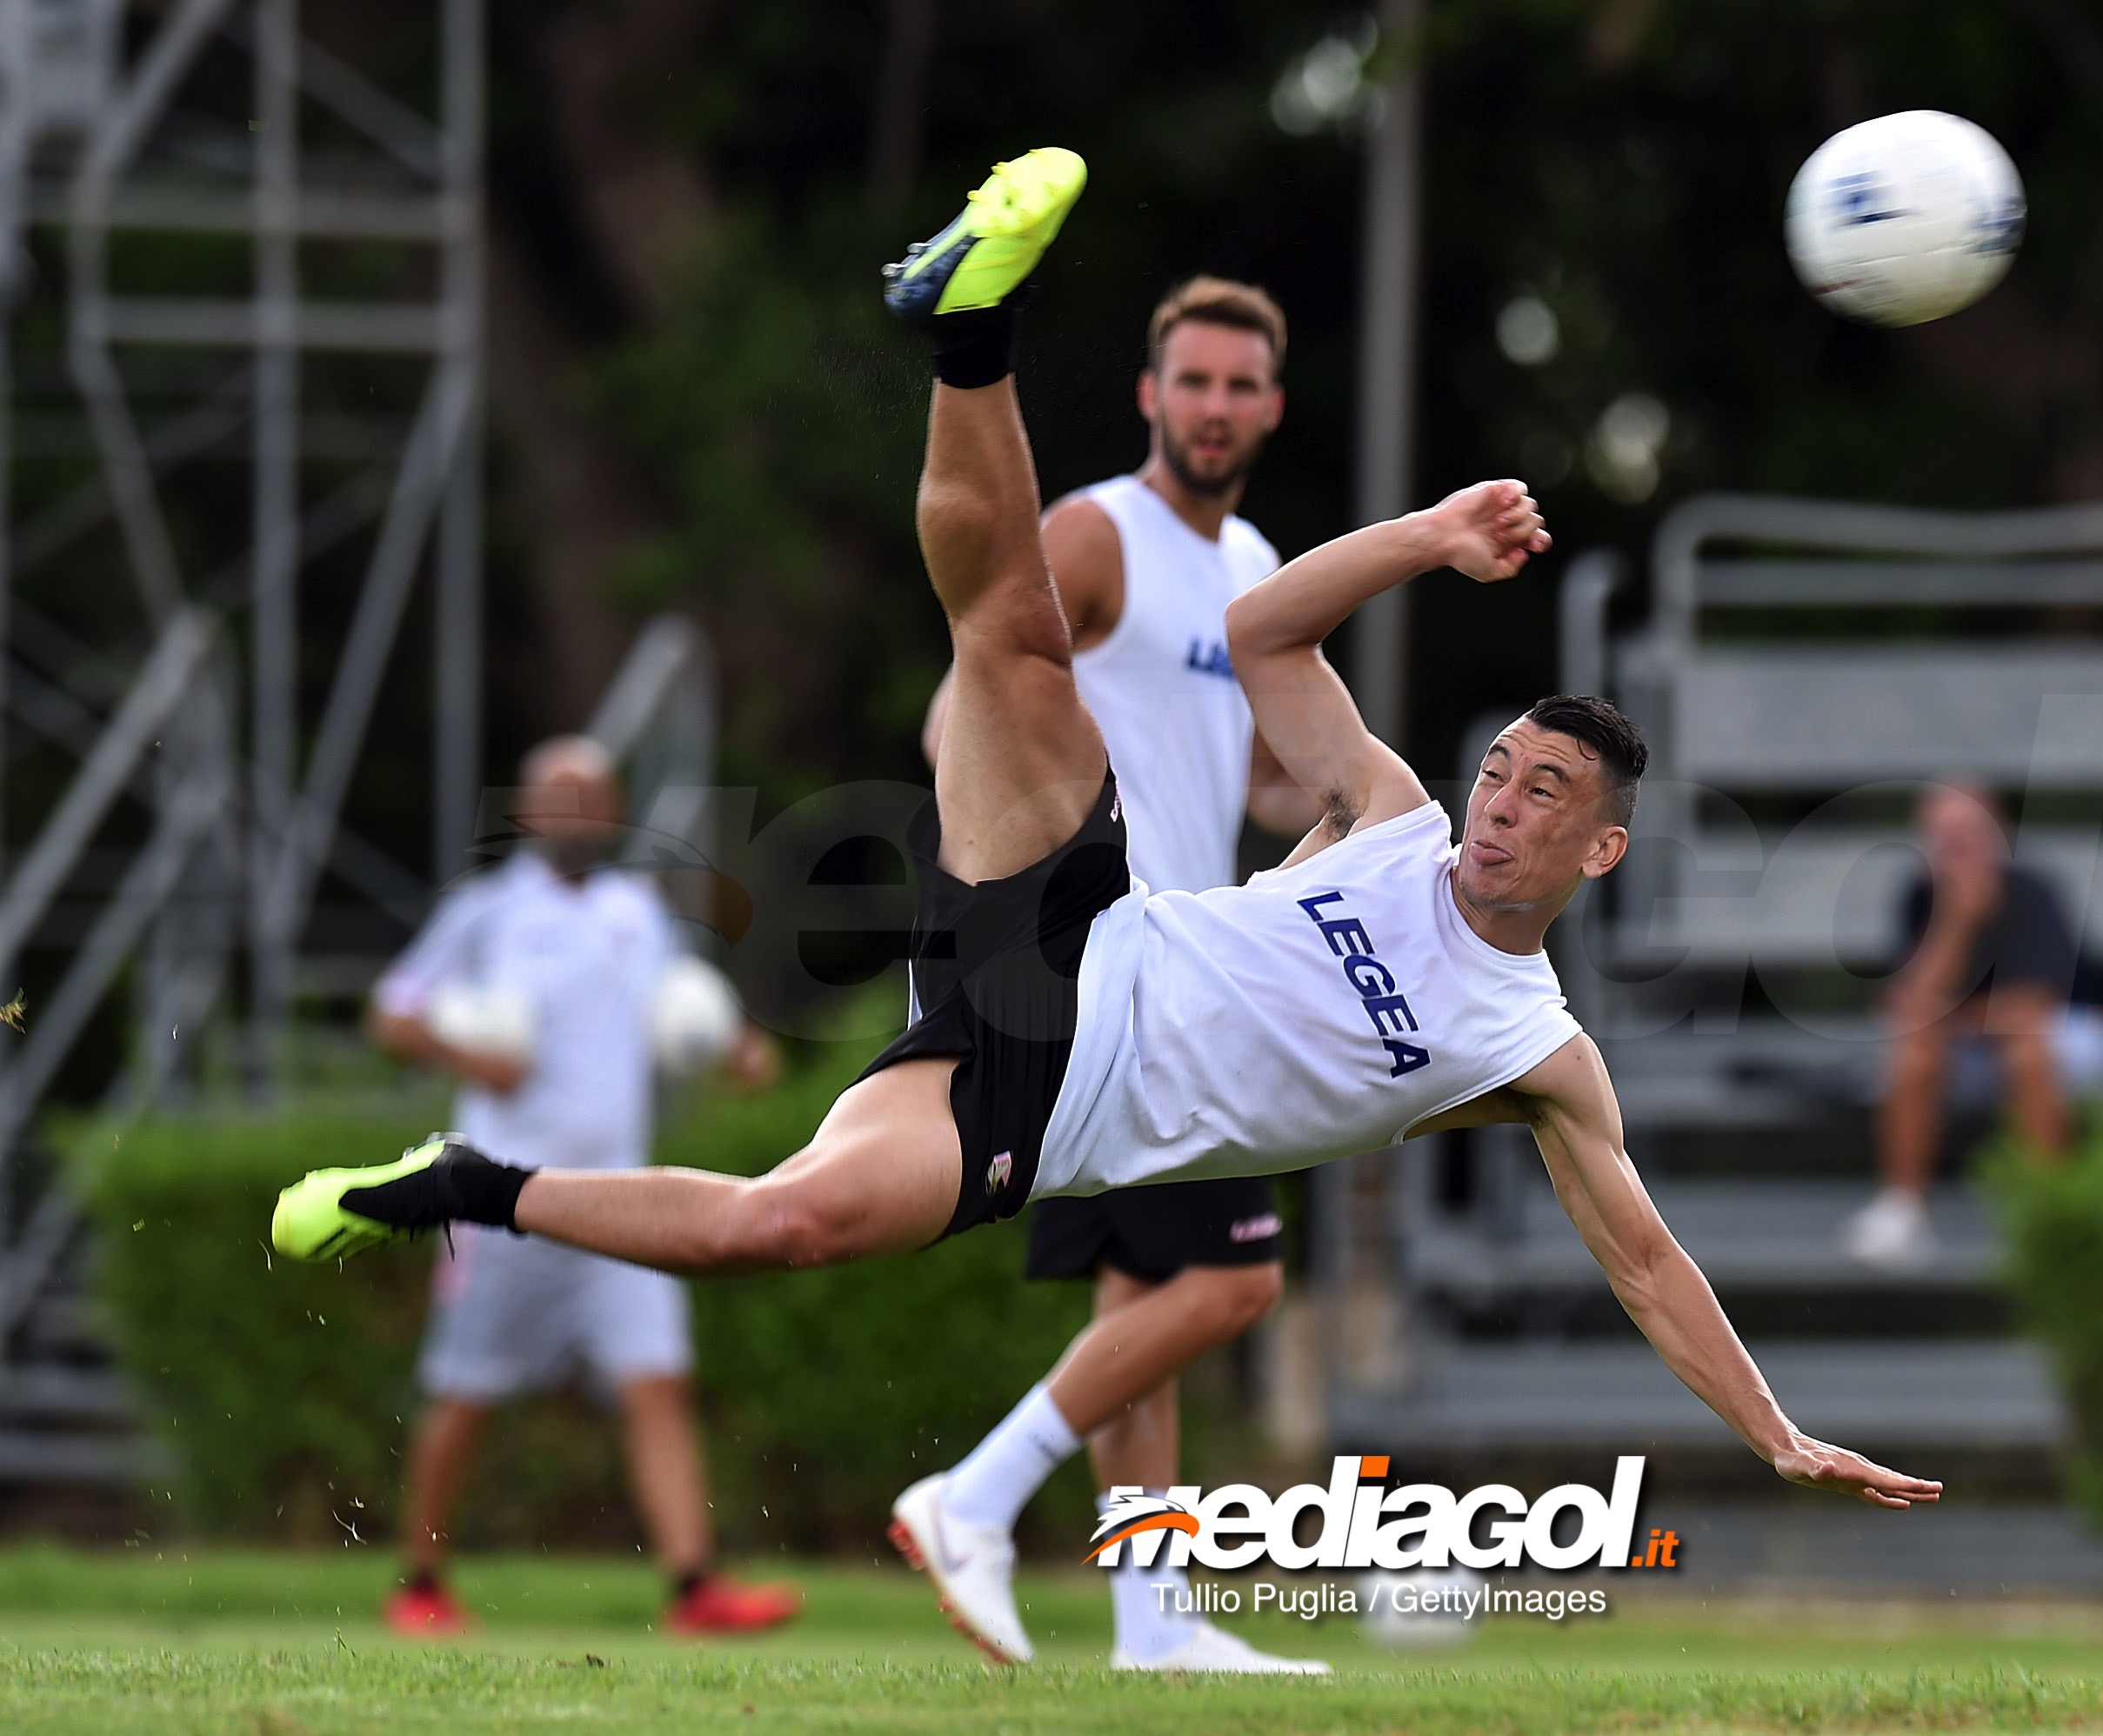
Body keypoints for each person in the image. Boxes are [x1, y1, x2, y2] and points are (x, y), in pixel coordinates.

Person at [276, 145, 1940, 1659]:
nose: (1500, 804)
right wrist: (1427, 537)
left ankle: (459, 1182)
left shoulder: (1535, 1050)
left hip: (1040, 1099)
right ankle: (965, 324)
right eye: (1501, 769)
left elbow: (1647, 1265)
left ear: (1603, 855)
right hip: (1079, 920)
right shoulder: (1390, 814)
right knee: (1008, 632)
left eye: (1544, 798)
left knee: (771, 1226)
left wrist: (1775, 1430)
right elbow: (1270, 632)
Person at [907, 277, 1326, 1672]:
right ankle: (973, 1495)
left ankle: (1156, 1620)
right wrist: (1022, 859)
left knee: (1149, 1307)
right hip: (1111, 965)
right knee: (1240, 1285)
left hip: (1184, 964)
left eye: (1239, 386)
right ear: (1151, 395)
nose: (1214, 407)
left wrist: (1359, 820)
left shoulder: (1253, 558)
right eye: (1191, 382)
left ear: (1271, 405)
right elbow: (963, 698)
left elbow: (1263, 777)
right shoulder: (1097, 535)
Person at [365, 735, 804, 1637]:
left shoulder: (635, 913)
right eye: (561, 797)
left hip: (624, 1203)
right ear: (530, 814)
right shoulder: (487, 913)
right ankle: (419, 1582)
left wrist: (735, 1046)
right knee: (466, 1391)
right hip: (503, 1199)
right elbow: (391, 1011)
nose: (581, 813)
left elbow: (677, 1010)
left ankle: (694, 1590)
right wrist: (466, 1057)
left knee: (657, 1385)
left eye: (595, 797)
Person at [1840, 781, 2076, 1272]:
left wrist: (1954, 1015)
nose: (1957, 848)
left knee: (2029, 1054)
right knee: (1911, 1055)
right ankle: (1904, 1209)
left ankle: (2048, 1211)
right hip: (1960, 1039)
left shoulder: (2034, 893)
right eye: (1943, 836)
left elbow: (2037, 1004)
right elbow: (1909, 1003)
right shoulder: (1922, 897)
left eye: (1967, 833)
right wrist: (1956, 922)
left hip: (2051, 1036)